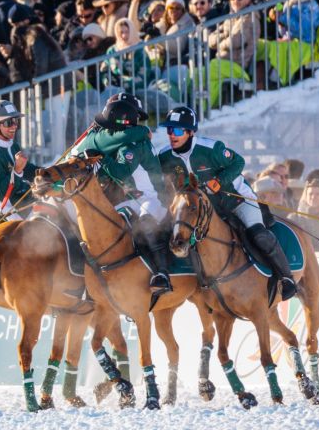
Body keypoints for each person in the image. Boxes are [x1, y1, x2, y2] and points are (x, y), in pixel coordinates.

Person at [158, 106, 297, 300]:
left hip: (237, 200)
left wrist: (219, 181)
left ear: (190, 133)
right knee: (171, 233)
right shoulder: (164, 156)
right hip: (205, 210)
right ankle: (167, 278)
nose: (172, 135)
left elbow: (238, 162)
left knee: (258, 234)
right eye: (169, 130)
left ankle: (286, 277)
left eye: (178, 131)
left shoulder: (210, 149)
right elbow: (160, 180)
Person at [71, 92, 172, 293]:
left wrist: (101, 157)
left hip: (152, 197)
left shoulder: (134, 144)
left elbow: (120, 172)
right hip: (131, 197)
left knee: (145, 222)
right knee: (103, 223)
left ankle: (161, 274)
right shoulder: (121, 140)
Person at [0, 99, 37, 219]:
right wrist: (17, 171)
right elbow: (1, 193)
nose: (14, 126)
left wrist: (50, 172)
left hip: (27, 204)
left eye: (15, 120)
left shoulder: (11, 144)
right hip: (11, 216)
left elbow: (27, 170)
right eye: (8, 122)